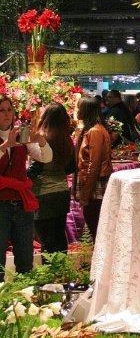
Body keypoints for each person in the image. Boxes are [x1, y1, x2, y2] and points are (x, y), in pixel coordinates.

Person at [0, 94, 53, 280]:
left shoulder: (20, 135)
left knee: (25, 260)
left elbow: (46, 157)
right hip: (1, 205)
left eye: (9, 110)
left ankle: (25, 301)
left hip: (21, 205)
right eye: (2, 110)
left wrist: (41, 140)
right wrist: (6, 145)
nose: (7, 114)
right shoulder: (10, 139)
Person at [30, 103, 75, 255]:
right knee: (59, 238)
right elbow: (71, 167)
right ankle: (62, 274)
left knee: (47, 243)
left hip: (44, 193)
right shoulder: (67, 139)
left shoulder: (43, 138)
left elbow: (36, 168)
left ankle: (49, 275)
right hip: (62, 191)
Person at [76, 97, 112, 241]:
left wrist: (85, 194)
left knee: (95, 225)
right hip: (93, 184)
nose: (76, 111)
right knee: (94, 225)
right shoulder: (93, 129)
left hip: (95, 186)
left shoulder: (95, 131)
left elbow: (94, 164)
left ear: (86, 110)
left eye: (79, 108)